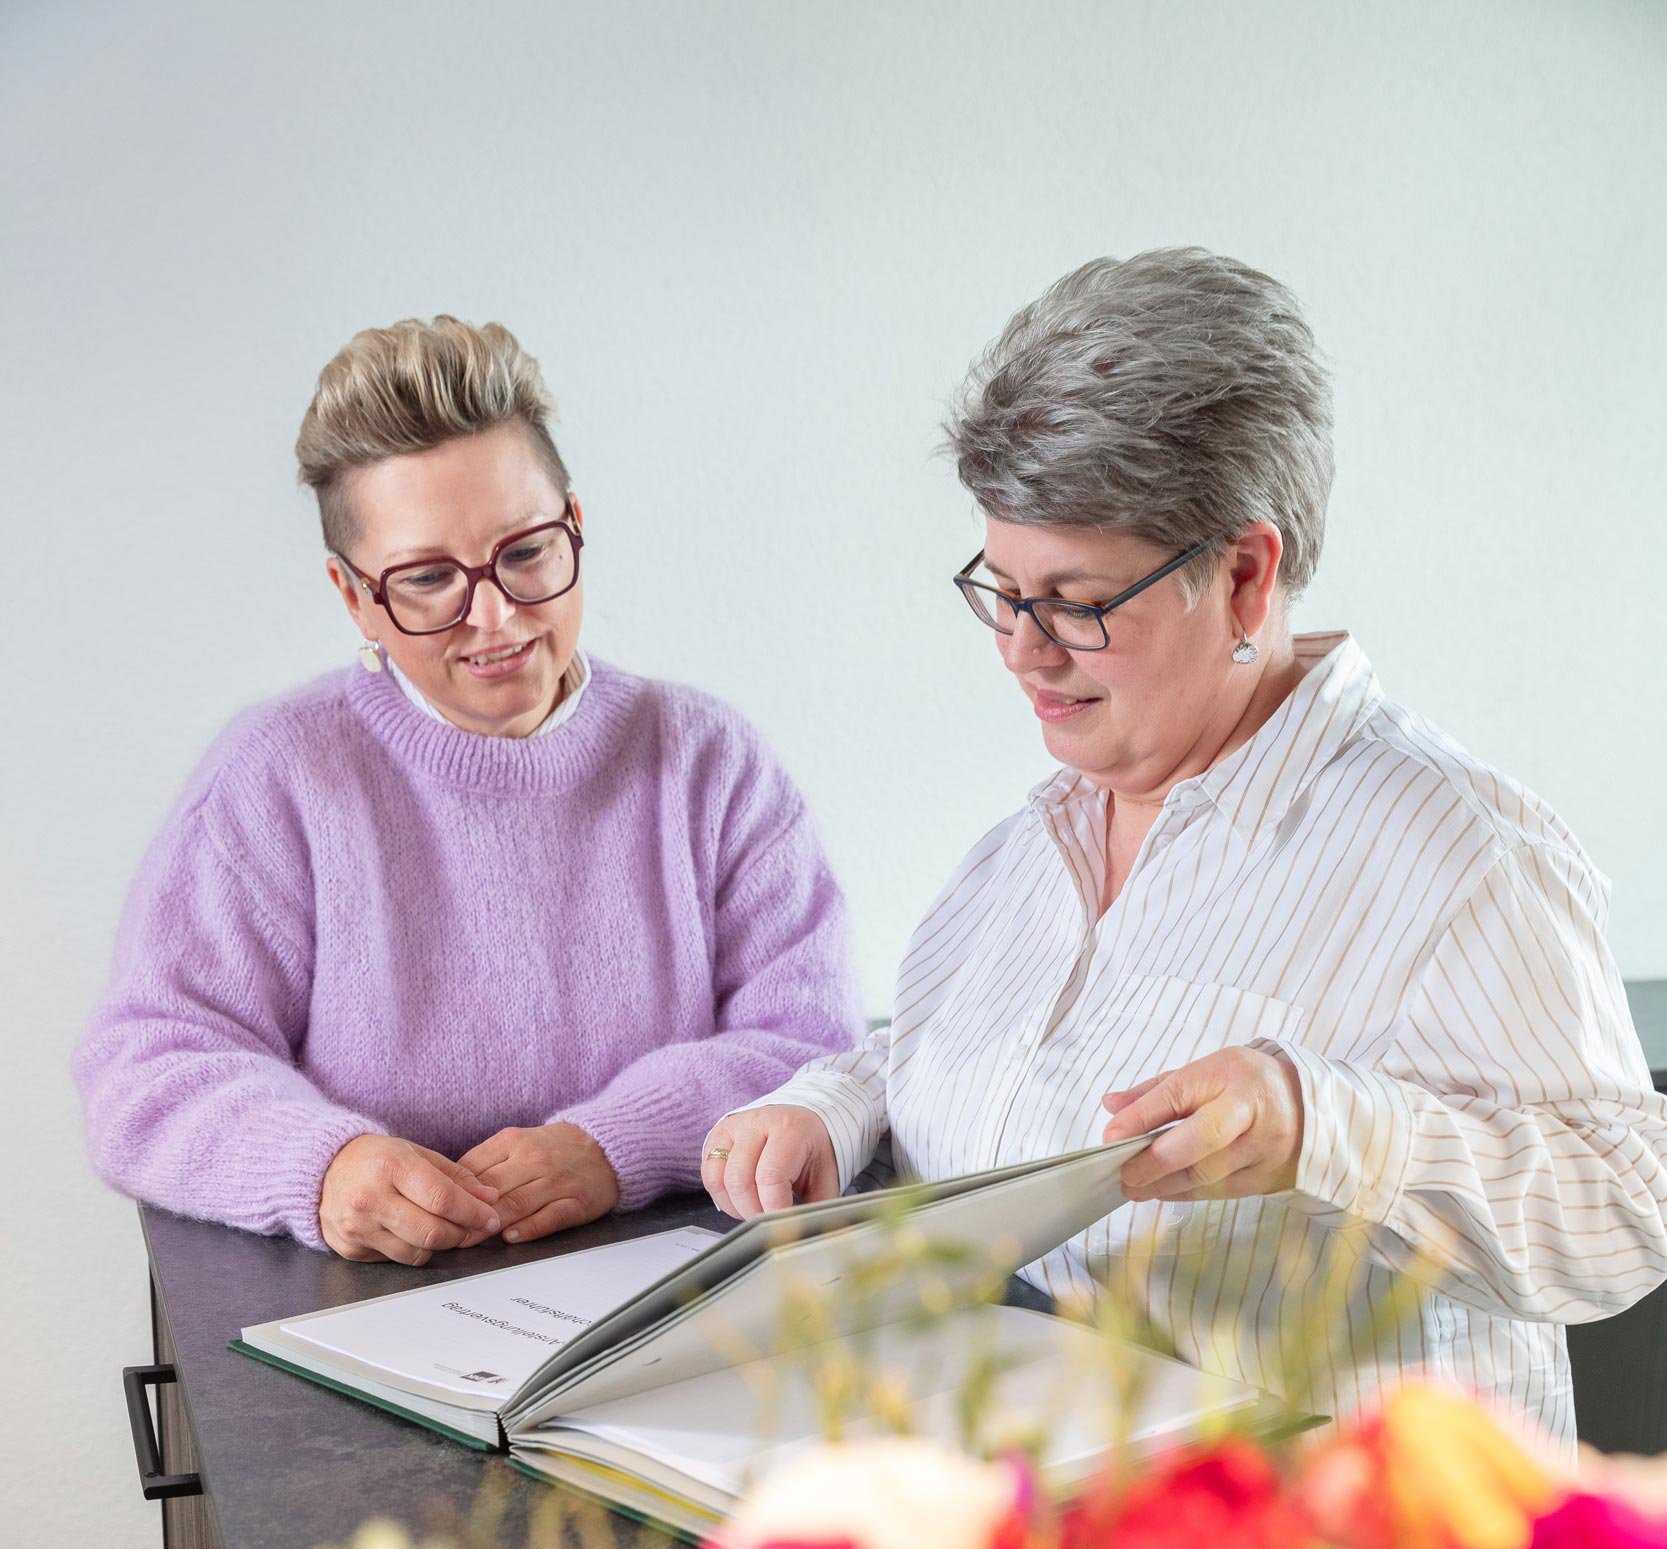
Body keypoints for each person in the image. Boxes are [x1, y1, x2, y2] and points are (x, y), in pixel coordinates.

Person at [700, 249, 1667, 1443]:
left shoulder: (1460, 852)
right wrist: (833, 1107)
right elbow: (990, 1068)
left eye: (1075, 601)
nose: (1020, 649)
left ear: (1247, 578)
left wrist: (1326, 1127)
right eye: (999, 590)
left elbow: (1629, 1211)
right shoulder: (1029, 843)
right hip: (1044, 1536)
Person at [75, 316, 859, 1264]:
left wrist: (614, 1145)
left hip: (671, 1280)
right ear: (354, 595)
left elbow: (812, 1045)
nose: (495, 616)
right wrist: (323, 1167)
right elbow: (148, 1068)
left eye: (526, 553)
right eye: (428, 578)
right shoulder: (280, 776)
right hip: (372, 1304)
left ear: (575, 523)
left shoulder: (707, 763)